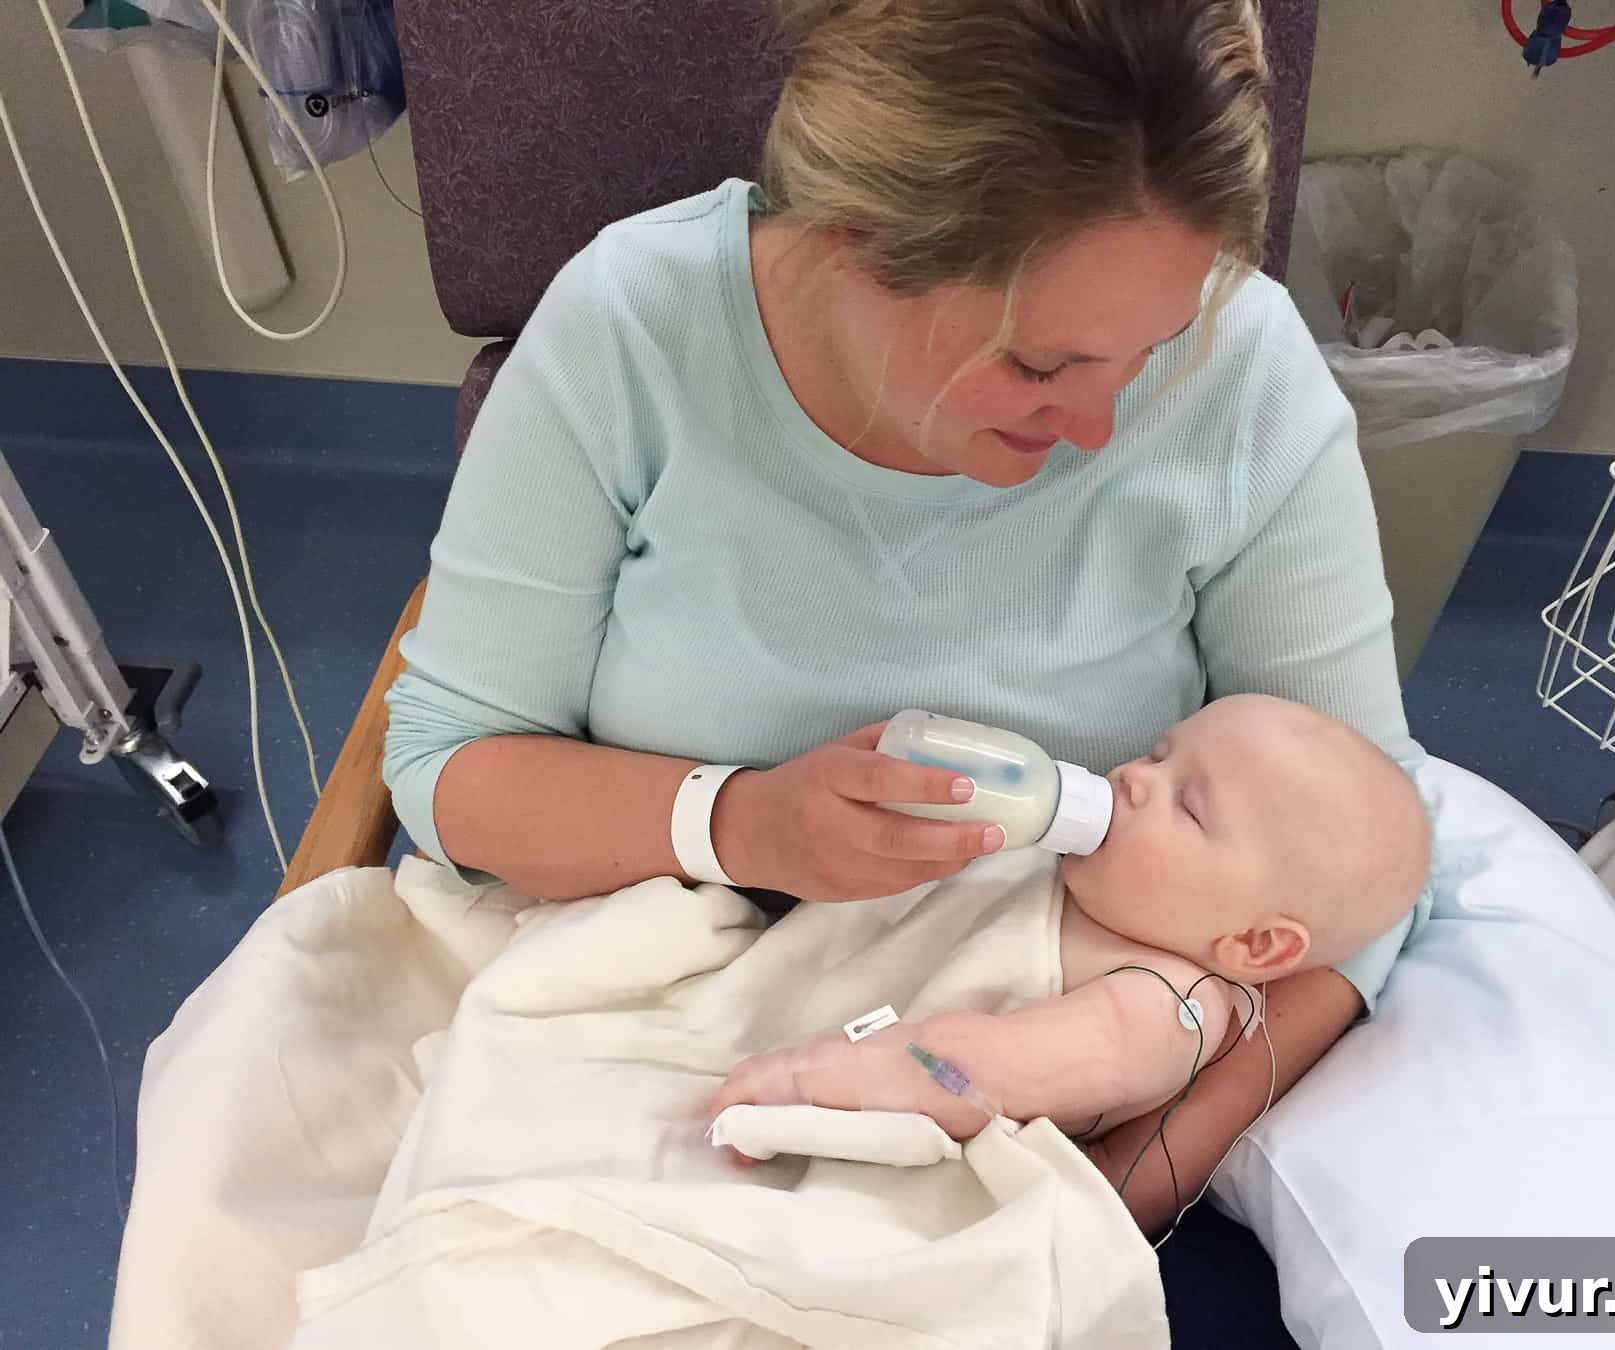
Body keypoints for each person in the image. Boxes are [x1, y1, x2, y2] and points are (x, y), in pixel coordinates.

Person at [383, 0, 1430, 1278]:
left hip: (1028, 1095)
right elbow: (447, 766)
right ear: (849, 241)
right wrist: (745, 825)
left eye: (1152, 349)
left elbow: (1364, 878)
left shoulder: (1244, 371)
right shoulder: (634, 330)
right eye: (1040, 365)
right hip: (643, 1011)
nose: (1100, 428)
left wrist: (1128, 1185)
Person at [706, 695, 1433, 1188]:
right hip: (776, 993)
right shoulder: (1089, 879)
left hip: (842, 1092)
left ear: (1255, 944)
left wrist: (802, 1081)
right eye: (1159, 755)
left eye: (1188, 804)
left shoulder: (1167, 1007)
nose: (1134, 779)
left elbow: (968, 1072)